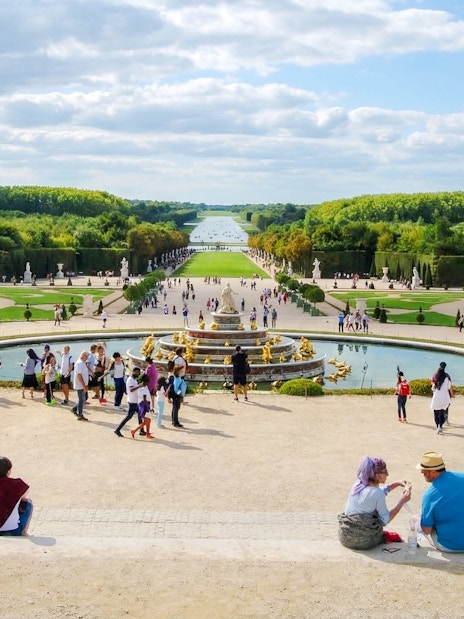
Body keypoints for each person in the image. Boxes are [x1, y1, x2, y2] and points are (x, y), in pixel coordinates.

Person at [338, 455, 411, 550]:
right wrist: (402, 501)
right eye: (385, 472)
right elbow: (385, 520)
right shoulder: (377, 493)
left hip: (344, 537)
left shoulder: (357, 484)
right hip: (366, 542)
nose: (387, 474)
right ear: (377, 475)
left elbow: (375, 493)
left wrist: (397, 483)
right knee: (377, 518)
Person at [417, 451, 464, 552]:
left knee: (417, 522)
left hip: (450, 545)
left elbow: (427, 530)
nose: (422, 473)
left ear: (433, 472)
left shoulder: (429, 495)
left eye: (424, 470)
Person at [0, 457, 33, 536]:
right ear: (8, 471)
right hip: (13, 530)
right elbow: (23, 497)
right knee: (28, 503)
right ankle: (24, 532)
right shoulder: (17, 484)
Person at [114, 366, 142, 437]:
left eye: (139, 373)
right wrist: (139, 386)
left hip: (134, 401)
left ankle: (141, 430)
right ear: (134, 372)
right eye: (137, 372)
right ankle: (117, 429)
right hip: (132, 401)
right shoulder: (131, 380)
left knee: (140, 415)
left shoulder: (134, 379)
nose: (138, 374)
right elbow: (131, 389)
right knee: (129, 416)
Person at [130, 374, 154, 439]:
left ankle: (147, 433)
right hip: (144, 405)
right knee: (146, 421)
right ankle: (134, 431)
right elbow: (145, 400)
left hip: (143, 405)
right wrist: (149, 408)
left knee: (148, 421)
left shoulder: (142, 387)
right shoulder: (143, 389)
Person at [430, 364, 452, 434]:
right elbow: (449, 387)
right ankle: (440, 426)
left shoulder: (436, 376)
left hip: (437, 397)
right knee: (442, 413)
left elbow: (433, 388)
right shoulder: (447, 377)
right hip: (444, 398)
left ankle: (438, 427)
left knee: (436, 413)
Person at [70, 351, 90, 420]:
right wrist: (84, 386)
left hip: (82, 384)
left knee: (83, 399)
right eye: (86, 356)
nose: (87, 358)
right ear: (83, 356)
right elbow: (79, 375)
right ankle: (80, 414)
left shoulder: (82, 363)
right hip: (80, 385)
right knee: (82, 399)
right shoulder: (79, 363)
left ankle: (74, 409)